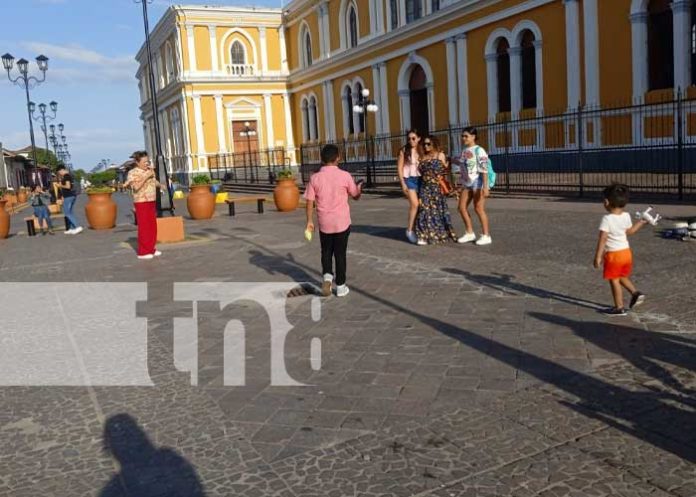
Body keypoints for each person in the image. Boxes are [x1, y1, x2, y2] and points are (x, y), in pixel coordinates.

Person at [304, 144, 362, 297]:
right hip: (342, 222)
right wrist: (359, 188)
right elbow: (355, 195)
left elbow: (309, 201)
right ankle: (341, 286)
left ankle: (327, 277)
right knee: (340, 254)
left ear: (322, 159)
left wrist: (310, 221)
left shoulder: (315, 178)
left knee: (326, 251)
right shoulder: (345, 175)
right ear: (338, 158)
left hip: (325, 223)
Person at [593, 183, 648, 316]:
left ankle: (619, 307)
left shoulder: (607, 219)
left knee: (614, 280)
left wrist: (598, 256)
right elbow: (629, 232)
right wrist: (641, 222)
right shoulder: (626, 216)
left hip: (614, 255)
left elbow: (603, 239)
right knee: (621, 276)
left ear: (606, 202)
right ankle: (635, 293)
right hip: (626, 253)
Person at [414, 136, 457, 245]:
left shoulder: (440, 155)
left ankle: (438, 234)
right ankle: (422, 235)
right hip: (424, 187)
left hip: (436, 187)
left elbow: (445, 171)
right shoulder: (422, 157)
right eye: (424, 144)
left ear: (434, 144)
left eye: (428, 144)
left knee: (437, 211)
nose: (426, 146)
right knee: (424, 210)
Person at [454, 127, 491, 246]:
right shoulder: (465, 151)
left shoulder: (479, 150)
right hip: (467, 183)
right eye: (462, 136)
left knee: (478, 208)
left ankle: (486, 235)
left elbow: (484, 169)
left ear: (473, 136)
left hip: (477, 183)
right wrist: (448, 159)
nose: (463, 138)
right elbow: (459, 161)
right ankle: (469, 232)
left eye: (466, 136)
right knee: (461, 207)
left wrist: (485, 187)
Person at [123, 151, 162, 260]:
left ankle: (151, 248)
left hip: (151, 200)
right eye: (144, 162)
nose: (147, 163)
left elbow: (154, 182)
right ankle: (143, 251)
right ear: (137, 162)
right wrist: (146, 176)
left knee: (152, 226)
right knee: (144, 226)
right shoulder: (132, 173)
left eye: (148, 161)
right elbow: (136, 187)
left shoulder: (150, 171)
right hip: (141, 201)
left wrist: (161, 185)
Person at [397, 129, 422, 244]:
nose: (411, 140)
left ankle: (419, 228)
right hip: (409, 179)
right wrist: (402, 183)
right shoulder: (404, 150)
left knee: (421, 205)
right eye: (409, 139)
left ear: (418, 138)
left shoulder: (422, 149)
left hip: (421, 179)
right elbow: (400, 168)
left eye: (413, 138)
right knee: (414, 204)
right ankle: (409, 230)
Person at [57, 165, 83, 235]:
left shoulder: (66, 176)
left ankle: (77, 226)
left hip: (68, 196)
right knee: (70, 212)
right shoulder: (69, 176)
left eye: (59, 172)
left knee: (67, 213)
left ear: (61, 170)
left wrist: (60, 186)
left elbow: (68, 186)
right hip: (71, 196)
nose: (59, 174)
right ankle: (72, 228)